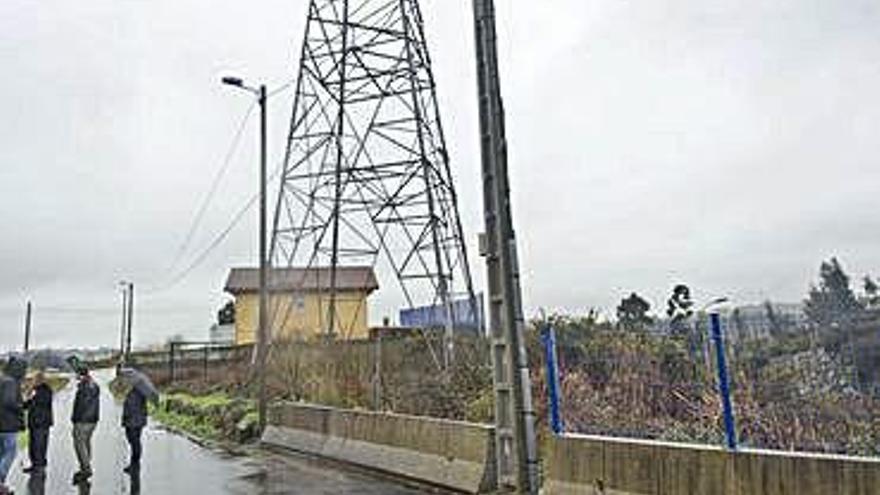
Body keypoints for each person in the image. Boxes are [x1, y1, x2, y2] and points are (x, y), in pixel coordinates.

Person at [0, 357, 26, 495]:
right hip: (8, 425)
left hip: (1, 424)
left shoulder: (3, 379)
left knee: (2, 454)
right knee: (10, 453)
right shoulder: (10, 382)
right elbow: (8, 401)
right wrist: (21, 406)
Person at [71, 365, 99, 484]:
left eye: (78, 375)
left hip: (82, 421)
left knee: (79, 444)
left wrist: (74, 419)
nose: (76, 377)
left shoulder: (85, 387)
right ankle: (85, 465)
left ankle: (86, 469)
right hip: (92, 420)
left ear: (82, 375)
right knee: (86, 443)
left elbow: (81, 406)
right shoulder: (94, 385)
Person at [23, 371, 53, 474]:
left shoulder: (46, 390)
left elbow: (42, 402)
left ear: (40, 380)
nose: (32, 381)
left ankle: (40, 467)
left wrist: (31, 395)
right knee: (33, 446)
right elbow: (27, 405)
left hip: (42, 423)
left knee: (40, 445)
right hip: (33, 423)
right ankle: (34, 465)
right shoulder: (34, 390)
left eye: (34, 379)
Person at [122, 381, 148, 474]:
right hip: (136, 421)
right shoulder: (137, 390)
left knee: (134, 442)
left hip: (133, 421)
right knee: (134, 441)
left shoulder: (134, 392)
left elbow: (130, 407)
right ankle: (135, 464)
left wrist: (126, 416)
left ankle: (134, 465)